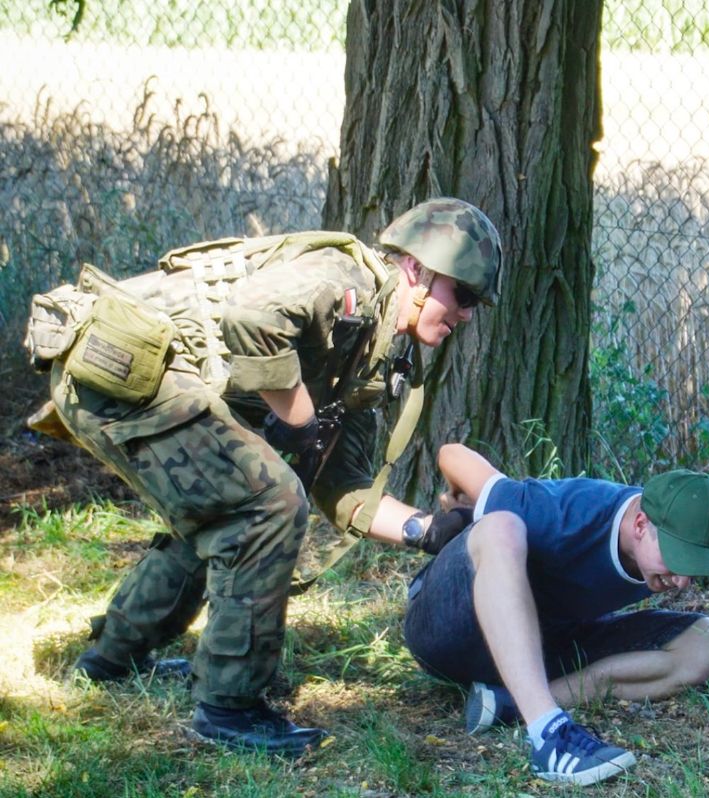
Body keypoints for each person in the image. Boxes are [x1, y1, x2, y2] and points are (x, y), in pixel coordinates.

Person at [24, 197, 503, 755]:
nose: (466, 314)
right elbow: (251, 316)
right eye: (462, 294)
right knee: (267, 501)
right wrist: (298, 421)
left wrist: (428, 530)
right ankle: (229, 708)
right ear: (417, 270)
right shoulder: (343, 279)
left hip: (132, 377)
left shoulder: (366, 355)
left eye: (474, 304)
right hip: (117, 367)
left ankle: (111, 660)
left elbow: (341, 485)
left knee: (230, 504)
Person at [402, 442, 709, 786]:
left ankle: (511, 706)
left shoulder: (654, 555)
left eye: (693, 566)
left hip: (544, 642)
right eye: (677, 559)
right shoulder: (566, 511)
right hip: (447, 629)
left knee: (705, 643)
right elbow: (451, 453)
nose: (682, 581)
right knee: (500, 528)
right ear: (639, 525)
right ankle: (548, 736)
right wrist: (455, 508)